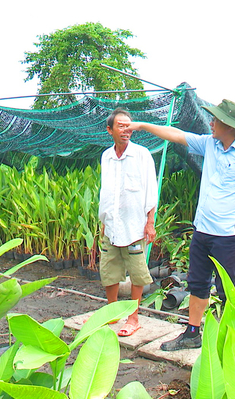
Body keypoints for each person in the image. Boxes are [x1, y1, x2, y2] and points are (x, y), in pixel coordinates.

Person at [126, 99, 235, 350]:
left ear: (229, 125)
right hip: (202, 230)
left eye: (215, 120)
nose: (211, 123)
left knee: (229, 288)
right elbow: (177, 135)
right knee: (198, 283)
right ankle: (192, 333)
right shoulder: (210, 145)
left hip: (227, 232)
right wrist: (142, 125)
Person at [99, 107, 158, 337]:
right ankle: (112, 311)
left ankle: (133, 317)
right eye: (120, 126)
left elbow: (150, 190)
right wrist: (104, 220)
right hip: (111, 225)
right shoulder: (107, 156)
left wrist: (150, 222)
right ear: (109, 130)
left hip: (134, 226)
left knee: (137, 271)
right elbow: (107, 191)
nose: (126, 130)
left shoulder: (142, 154)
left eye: (128, 125)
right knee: (109, 270)